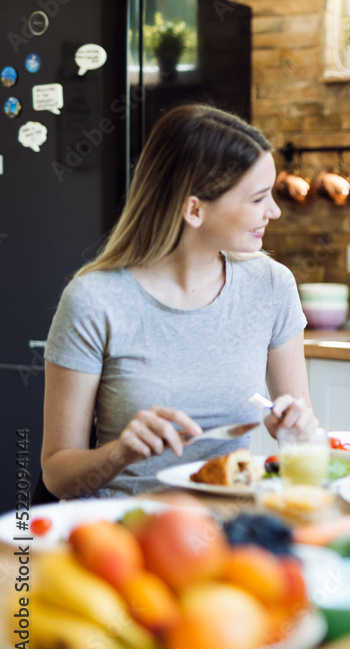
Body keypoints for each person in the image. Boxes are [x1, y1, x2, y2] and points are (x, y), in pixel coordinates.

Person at [40, 104, 317, 499]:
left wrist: (298, 431)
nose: (273, 211)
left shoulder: (271, 285)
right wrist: (120, 453)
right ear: (194, 209)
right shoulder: (94, 301)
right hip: (126, 534)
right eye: (258, 199)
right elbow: (57, 474)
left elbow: (303, 435)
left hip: (232, 528)